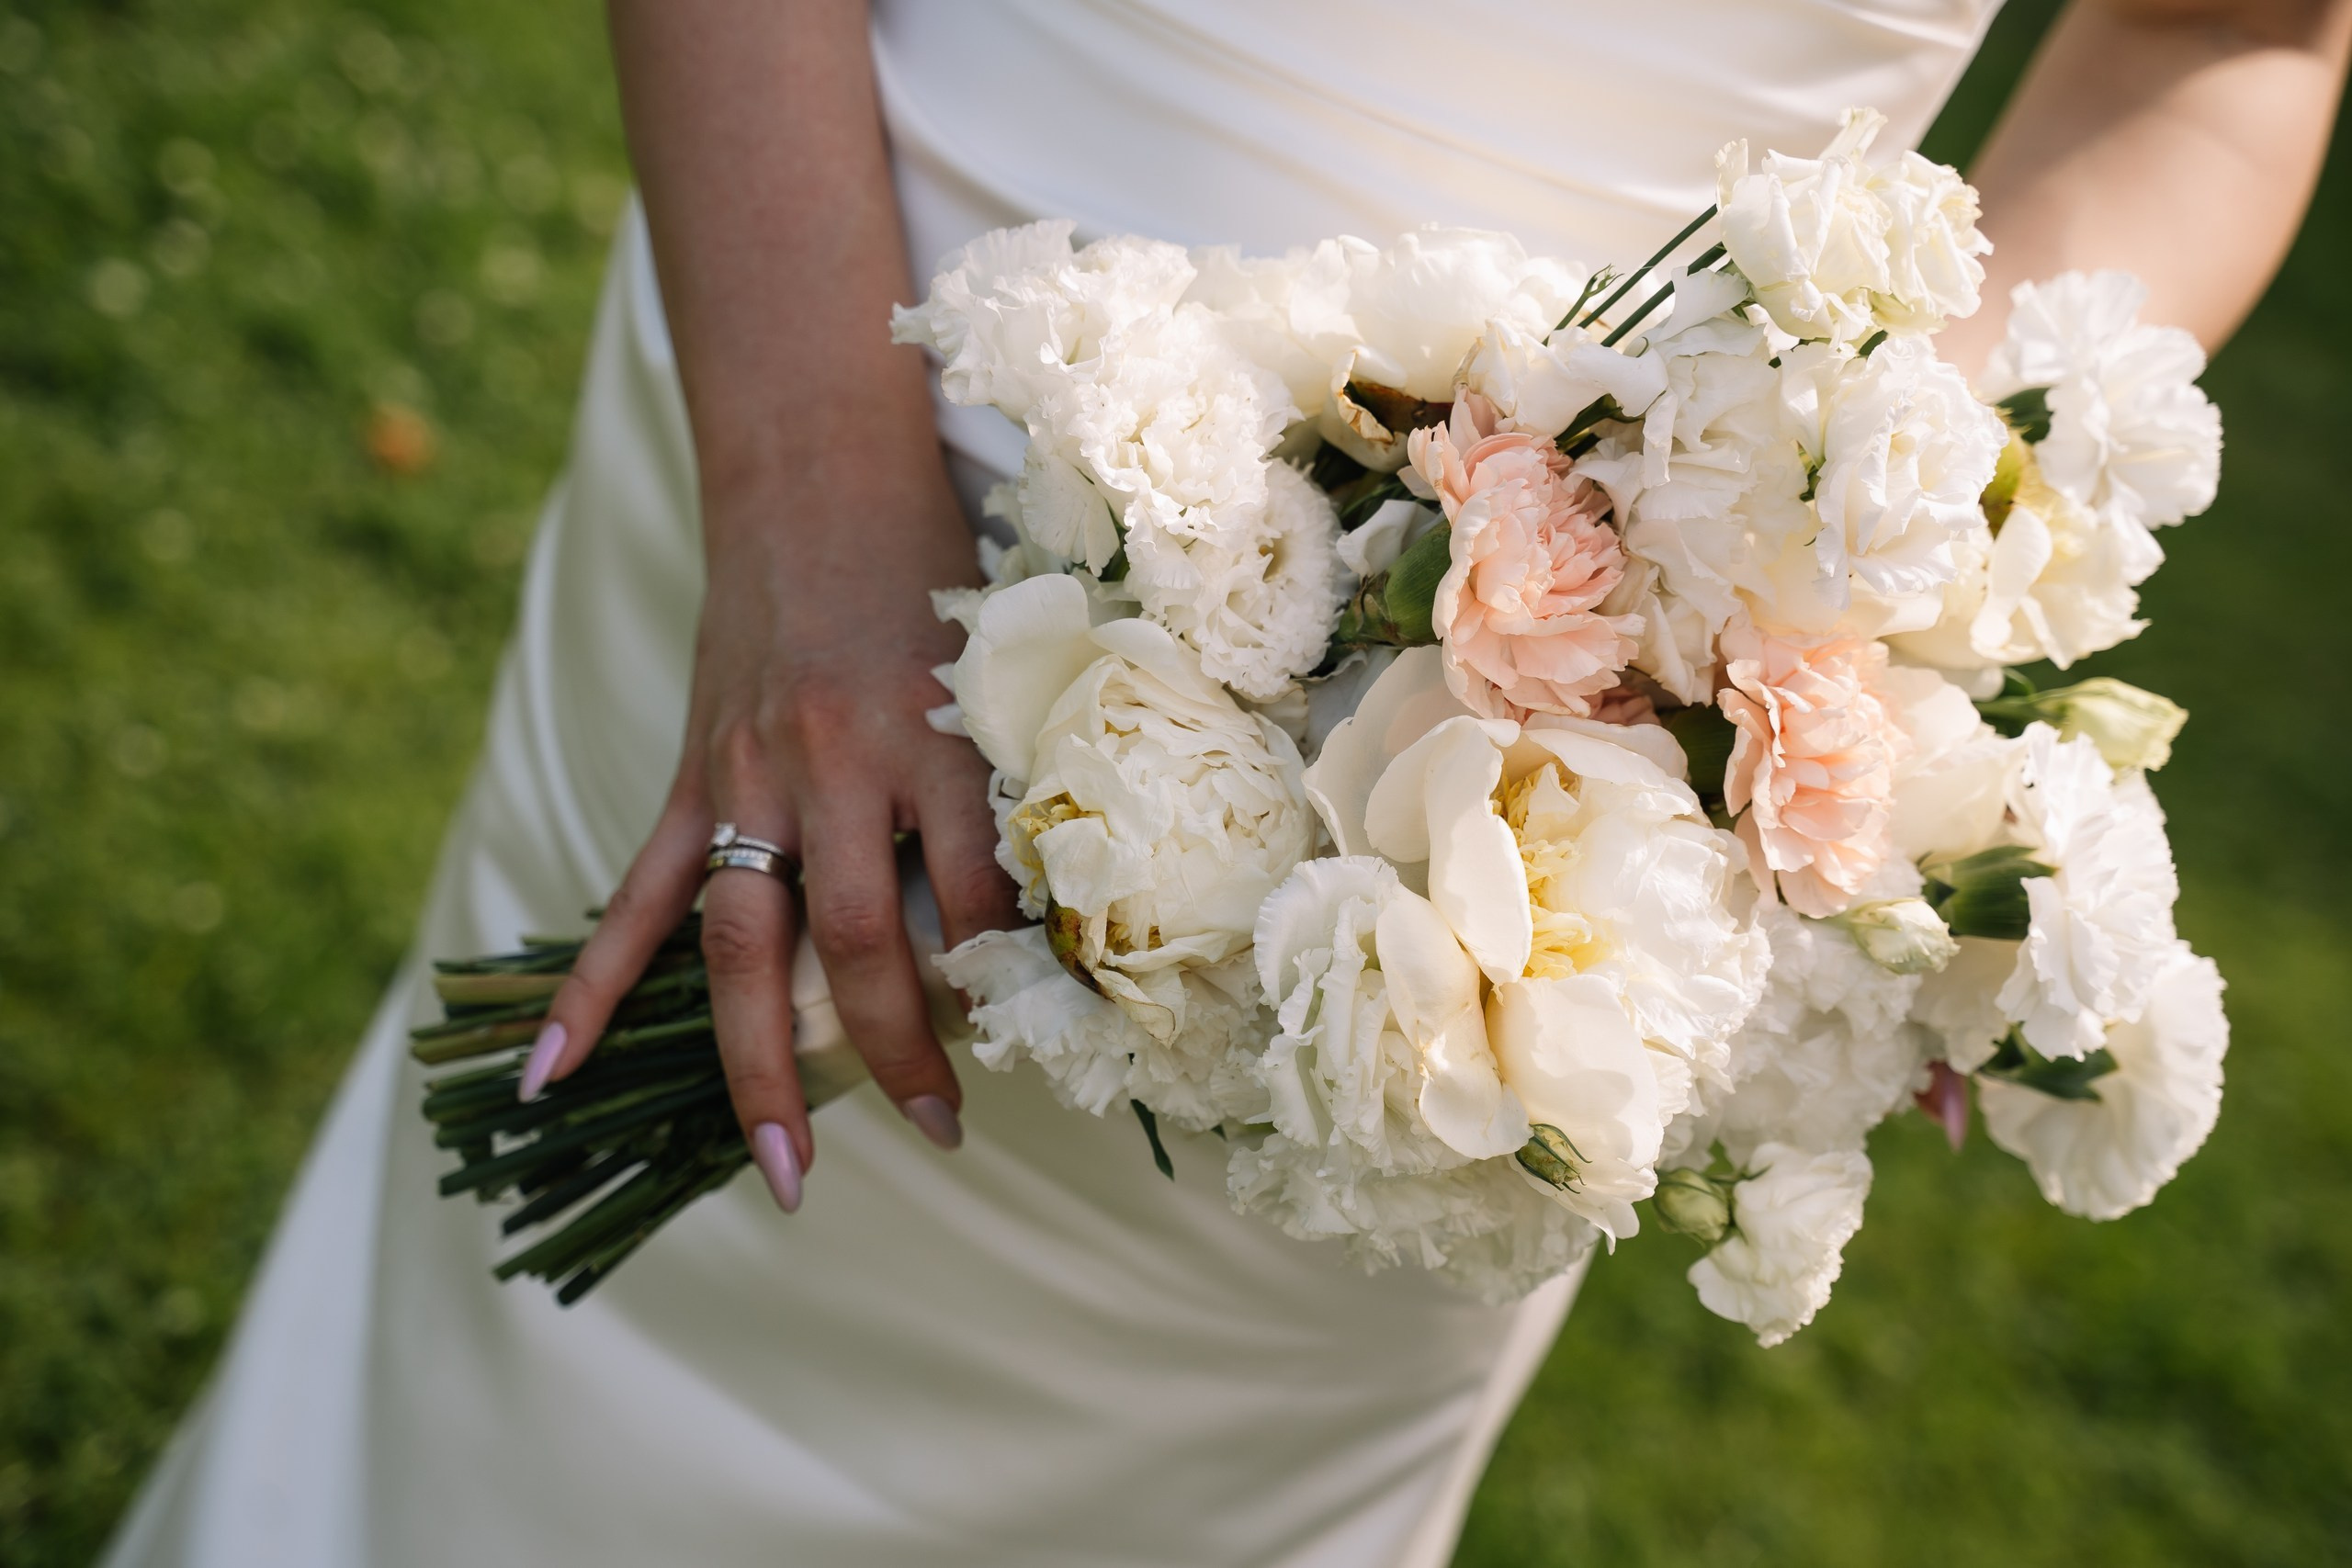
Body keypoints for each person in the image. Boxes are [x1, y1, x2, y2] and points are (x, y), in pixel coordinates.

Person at [105, 3, 2352, 1564]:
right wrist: (803, 492)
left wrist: (1828, 497)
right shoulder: (799, 499)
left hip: (1552, 841)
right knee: (534, 1389)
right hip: (828, 386)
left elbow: (2221, 33)